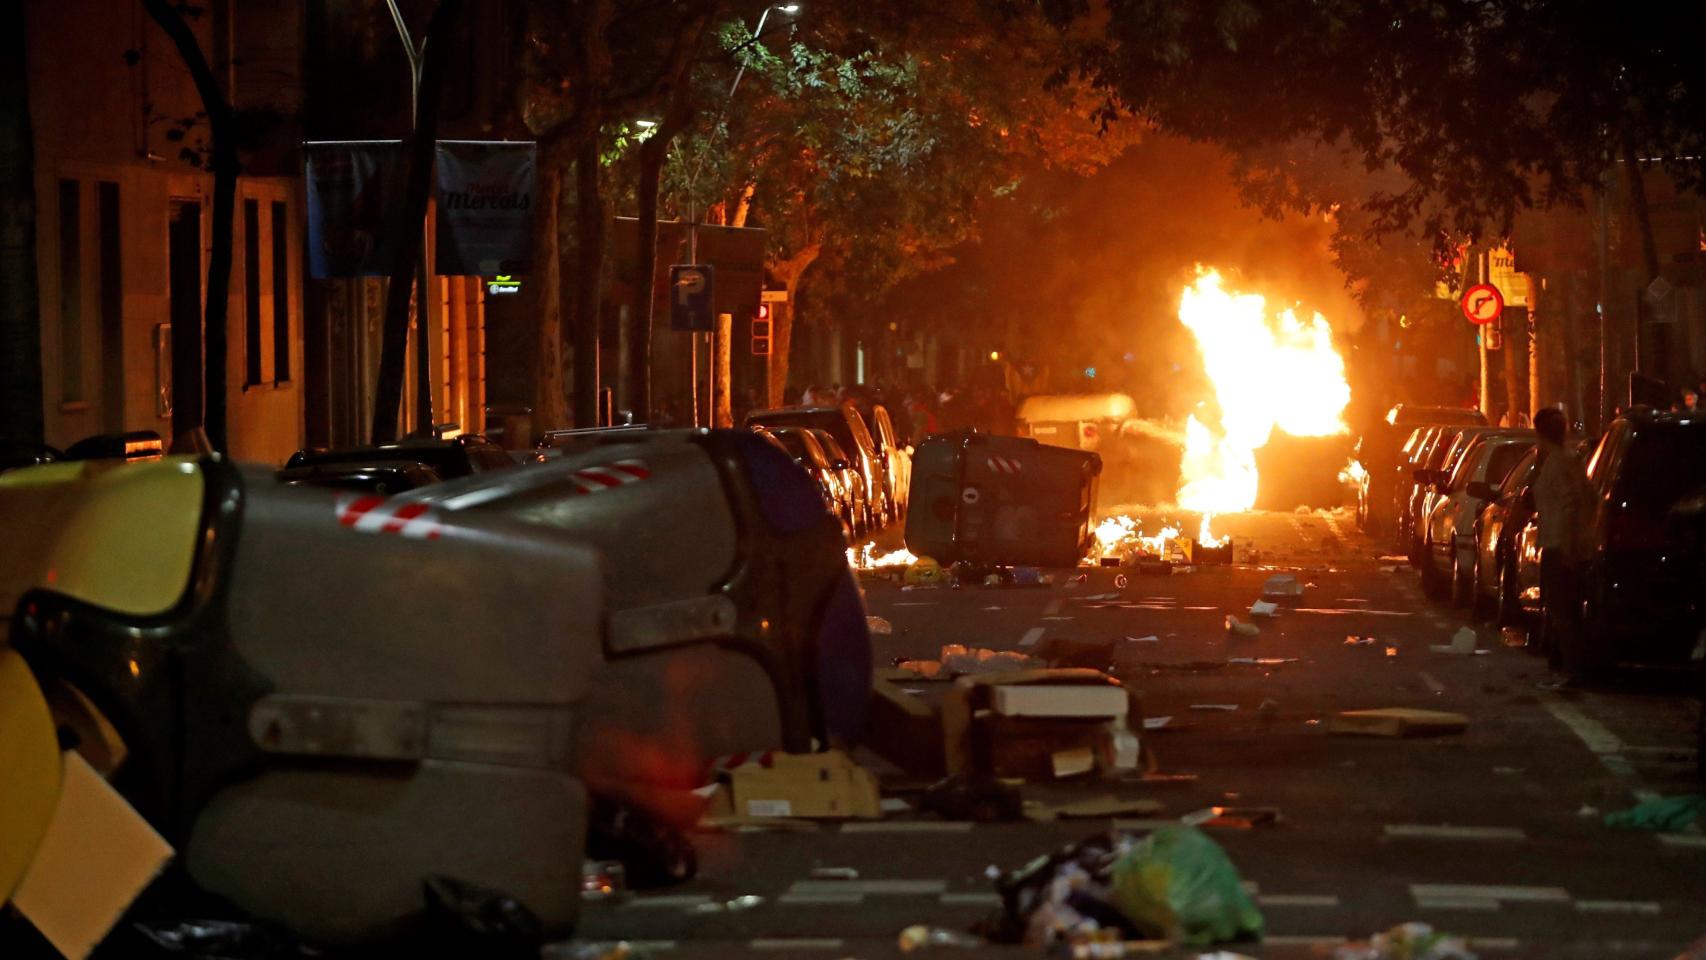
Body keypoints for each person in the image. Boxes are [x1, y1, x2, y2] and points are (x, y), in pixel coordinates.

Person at [1531, 406, 1597, 684]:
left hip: (1560, 547)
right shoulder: (1570, 461)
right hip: (1570, 545)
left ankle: (1572, 669)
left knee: (1564, 610)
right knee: (1566, 610)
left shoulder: (1556, 464)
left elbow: (1570, 504)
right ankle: (1566, 665)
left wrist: (1568, 544)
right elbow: (1591, 499)